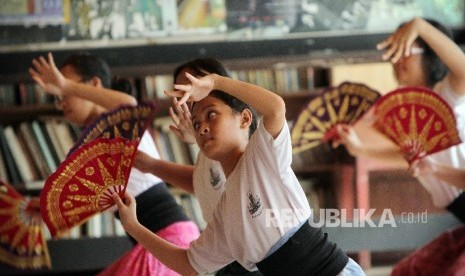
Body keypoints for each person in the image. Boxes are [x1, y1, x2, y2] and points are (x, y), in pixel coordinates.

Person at [113, 69, 365, 275]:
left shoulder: (262, 156)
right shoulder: (224, 212)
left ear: (245, 119)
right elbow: (188, 265)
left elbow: (275, 107)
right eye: (197, 123)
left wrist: (215, 82)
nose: (201, 128)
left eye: (211, 114)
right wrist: (133, 226)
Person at [29, 52, 200, 276]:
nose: (61, 102)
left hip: (170, 240)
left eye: (65, 92)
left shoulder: (121, 127)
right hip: (162, 242)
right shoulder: (94, 145)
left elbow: (127, 103)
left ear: (94, 84)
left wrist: (65, 85)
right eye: (59, 95)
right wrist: (41, 207)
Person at [334, 17, 465, 275]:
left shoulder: (450, 95)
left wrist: (420, 26)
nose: (395, 60)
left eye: (404, 50)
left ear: (431, 55)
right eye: (392, 52)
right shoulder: (417, 113)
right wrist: (360, 148)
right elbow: (416, 160)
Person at [134, 57, 262, 275]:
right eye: (180, 91)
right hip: (225, 253)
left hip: (250, 256)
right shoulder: (208, 139)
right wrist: (152, 165)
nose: (187, 95)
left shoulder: (236, 140)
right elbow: (204, 184)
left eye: (191, 84)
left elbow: (276, 108)